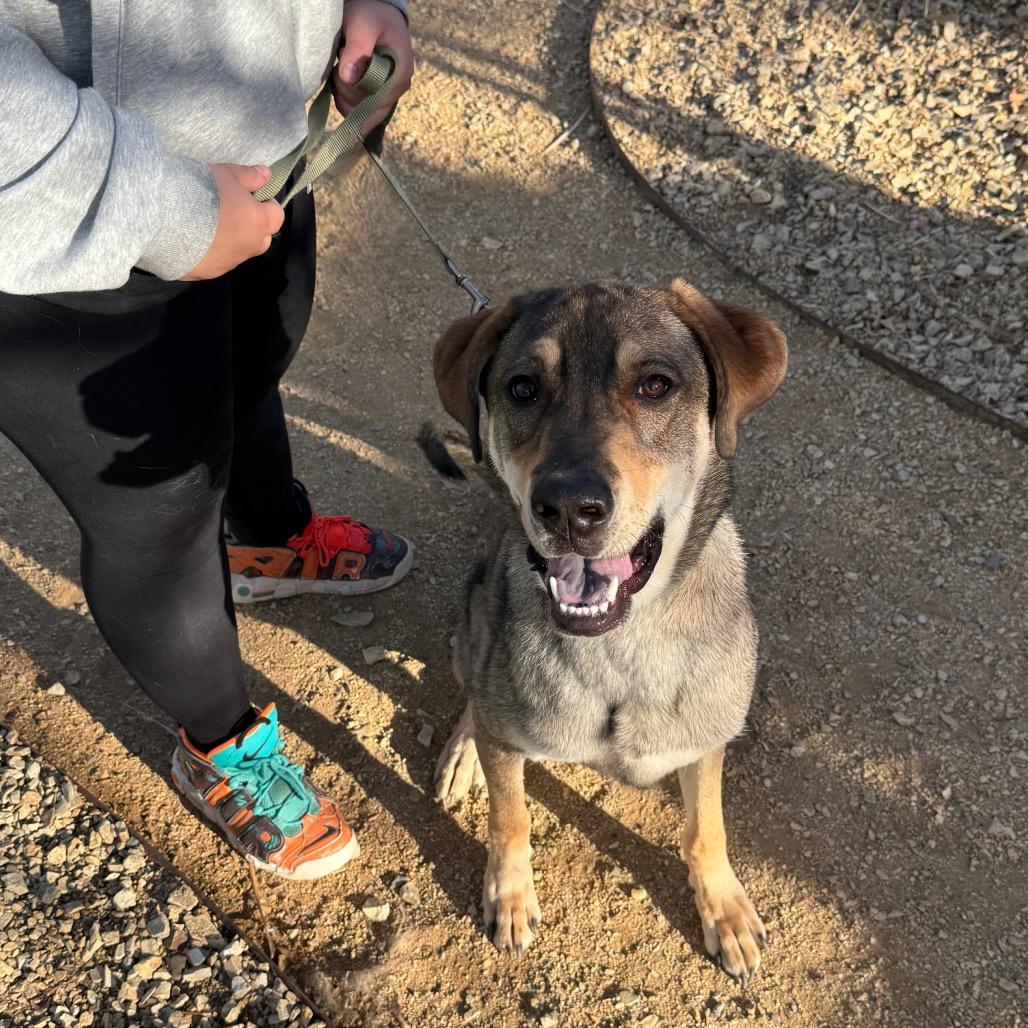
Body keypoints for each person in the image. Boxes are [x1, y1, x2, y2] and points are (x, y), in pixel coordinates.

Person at [0, 1, 416, 879]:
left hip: (256, 145)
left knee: (251, 362)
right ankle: (218, 739)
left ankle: (266, 539)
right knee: (158, 517)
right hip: (58, 222)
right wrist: (155, 205)